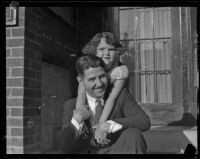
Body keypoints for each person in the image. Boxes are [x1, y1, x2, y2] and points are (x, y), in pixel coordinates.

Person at [59, 55, 150, 154]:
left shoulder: (121, 96)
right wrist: (76, 120)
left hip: (115, 149)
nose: (99, 84)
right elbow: (65, 148)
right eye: (92, 79)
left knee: (133, 134)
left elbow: (144, 121)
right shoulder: (70, 105)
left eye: (102, 76)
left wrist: (109, 125)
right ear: (81, 81)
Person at [76, 32, 129, 142]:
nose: (107, 53)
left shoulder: (120, 71)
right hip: (92, 109)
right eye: (102, 49)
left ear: (117, 51)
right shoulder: (90, 66)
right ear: (94, 50)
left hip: (112, 111)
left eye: (111, 49)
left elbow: (112, 98)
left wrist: (100, 124)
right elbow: (81, 94)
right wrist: (79, 121)